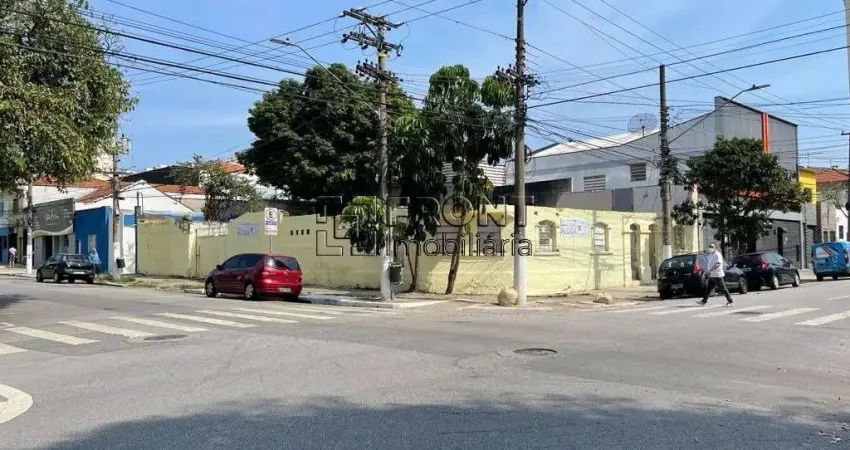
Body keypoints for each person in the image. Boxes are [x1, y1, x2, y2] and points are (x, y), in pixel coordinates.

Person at [697, 242, 733, 307]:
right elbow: (709, 264)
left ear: (715, 248)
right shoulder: (710, 255)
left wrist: (709, 270)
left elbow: (718, 264)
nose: (710, 248)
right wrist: (706, 271)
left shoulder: (717, 254)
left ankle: (730, 301)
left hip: (717, 275)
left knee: (723, 289)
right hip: (712, 275)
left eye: (712, 247)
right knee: (708, 289)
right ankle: (704, 301)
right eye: (709, 247)